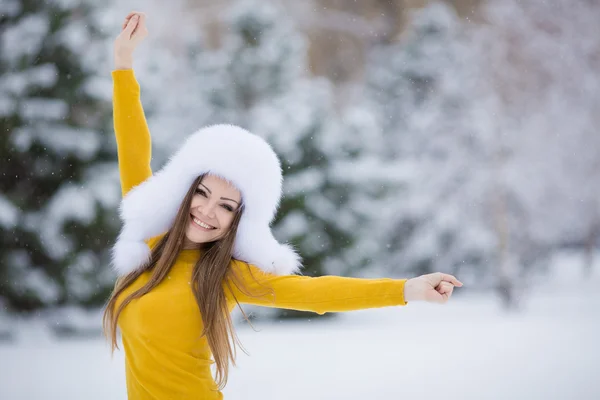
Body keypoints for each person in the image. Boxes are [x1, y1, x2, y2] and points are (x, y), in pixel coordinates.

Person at [103, 11, 464, 400]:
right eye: (203, 194)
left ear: (237, 222)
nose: (208, 211)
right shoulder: (149, 241)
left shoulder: (224, 275)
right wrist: (123, 61)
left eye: (226, 207)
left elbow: (316, 293)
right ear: (185, 191)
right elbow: (133, 149)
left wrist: (407, 289)